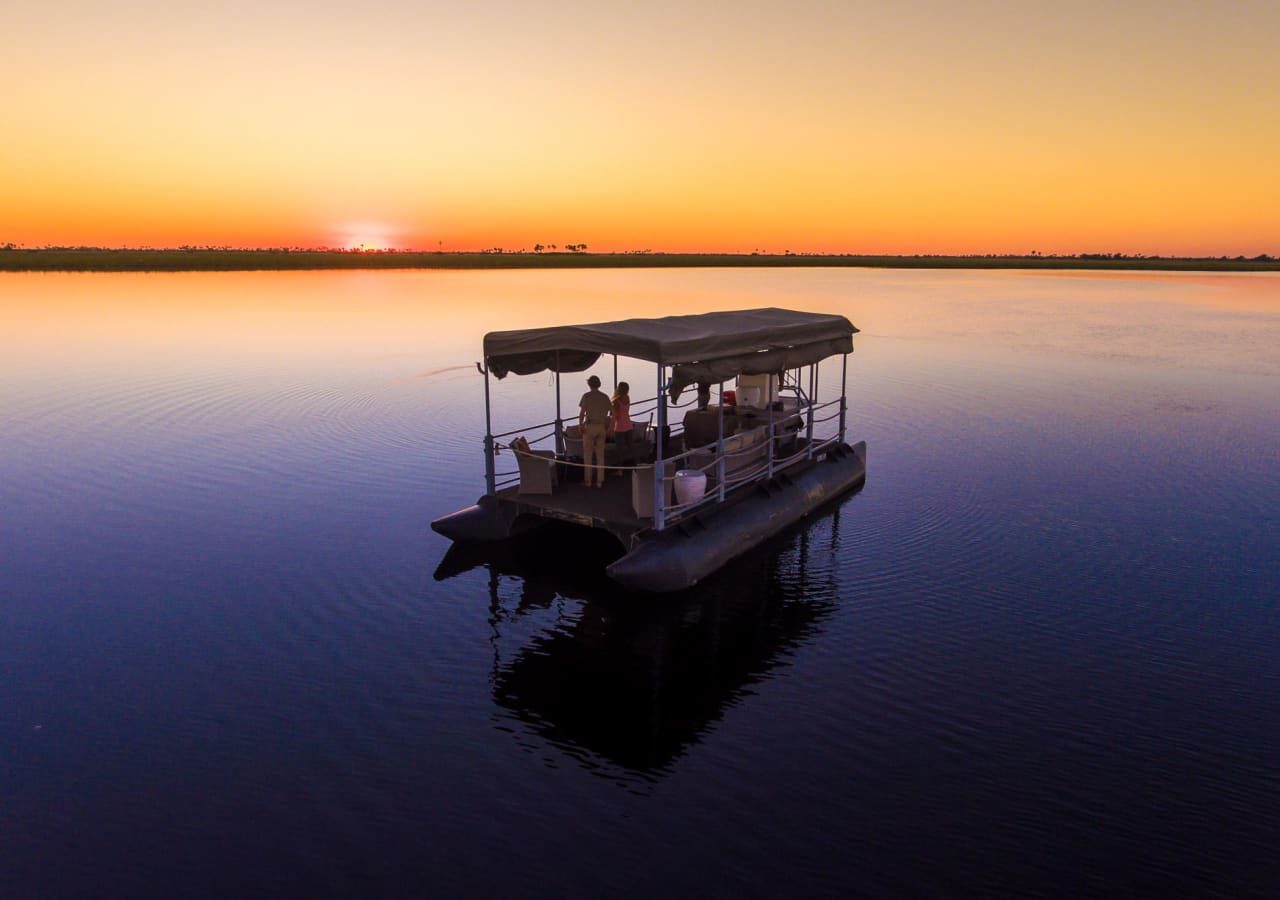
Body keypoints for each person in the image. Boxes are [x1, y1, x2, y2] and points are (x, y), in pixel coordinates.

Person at [578, 375, 611, 487]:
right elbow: (612, 413)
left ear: (589, 384)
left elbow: (582, 413)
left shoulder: (586, 396)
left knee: (588, 454)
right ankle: (599, 481)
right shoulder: (605, 397)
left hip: (590, 426)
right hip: (601, 427)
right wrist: (610, 427)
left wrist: (580, 424)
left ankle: (588, 481)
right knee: (600, 455)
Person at [610, 381, 634, 473]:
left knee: (619, 449)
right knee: (630, 446)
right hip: (628, 424)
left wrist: (611, 429)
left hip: (619, 427)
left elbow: (615, 416)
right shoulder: (627, 398)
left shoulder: (616, 401)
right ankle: (637, 464)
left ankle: (620, 469)